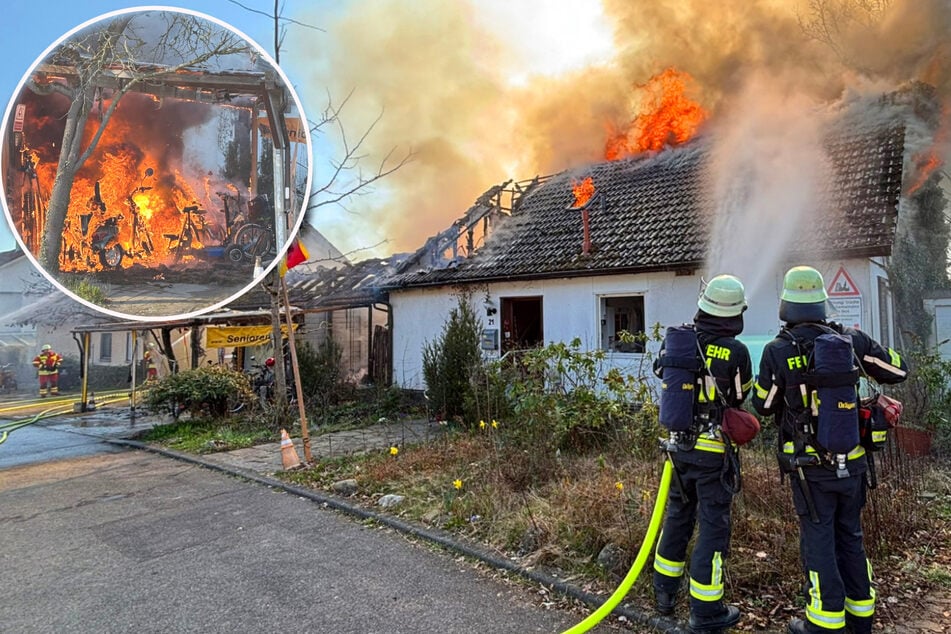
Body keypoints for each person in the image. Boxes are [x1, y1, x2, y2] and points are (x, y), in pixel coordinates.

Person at [751, 266, 908, 634]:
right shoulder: (850, 340)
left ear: (786, 305)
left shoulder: (777, 350)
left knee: (818, 537)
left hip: (809, 468)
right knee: (850, 534)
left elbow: (764, 404)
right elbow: (898, 371)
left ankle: (823, 622)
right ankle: (861, 616)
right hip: (852, 463)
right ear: (822, 302)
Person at [653, 274, 754, 634]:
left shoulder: (680, 342)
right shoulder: (737, 351)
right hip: (713, 455)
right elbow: (741, 399)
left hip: (678, 450)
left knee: (678, 517)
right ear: (734, 314)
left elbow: (663, 374)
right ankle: (707, 610)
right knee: (713, 526)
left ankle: (664, 594)